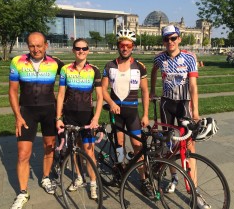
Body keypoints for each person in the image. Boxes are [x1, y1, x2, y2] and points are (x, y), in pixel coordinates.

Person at [150, 25, 210, 209]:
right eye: (166, 39)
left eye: (173, 38)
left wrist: (196, 112)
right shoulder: (160, 58)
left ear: (179, 39)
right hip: (167, 104)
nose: (170, 42)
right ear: (163, 41)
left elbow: (193, 86)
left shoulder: (190, 57)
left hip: (184, 105)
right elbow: (153, 71)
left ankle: (195, 192)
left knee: (189, 146)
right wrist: (153, 90)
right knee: (168, 144)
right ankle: (174, 176)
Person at [9, 32, 64, 209]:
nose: (36, 49)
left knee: (49, 147)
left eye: (39, 45)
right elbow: (12, 91)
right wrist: (17, 116)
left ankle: (46, 178)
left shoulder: (56, 63)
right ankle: (23, 192)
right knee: (23, 153)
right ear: (28, 46)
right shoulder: (17, 62)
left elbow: (72, 77)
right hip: (27, 112)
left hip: (49, 111)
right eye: (32, 45)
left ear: (46, 45)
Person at [101, 29, 152, 197]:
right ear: (118, 46)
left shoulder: (139, 66)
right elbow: (103, 90)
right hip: (117, 112)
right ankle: (120, 170)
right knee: (119, 145)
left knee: (138, 147)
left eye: (128, 45)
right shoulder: (109, 65)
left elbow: (145, 92)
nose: (125, 48)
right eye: (122, 45)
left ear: (133, 47)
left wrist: (145, 114)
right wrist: (111, 102)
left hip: (132, 112)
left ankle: (143, 179)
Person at [56, 38, 103, 199]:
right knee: (73, 149)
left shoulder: (94, 70)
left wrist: (96, 118)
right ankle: (78, 177)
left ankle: (94, 183)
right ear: (73, 50)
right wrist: (58, 117)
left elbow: (100, 97)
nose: (81, 51)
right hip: (69, 115)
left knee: (89, 152)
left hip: (86, 116)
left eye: (84, 48)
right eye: (78, 48)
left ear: (88, 50)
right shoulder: (65, 69)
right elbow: (61, 94)